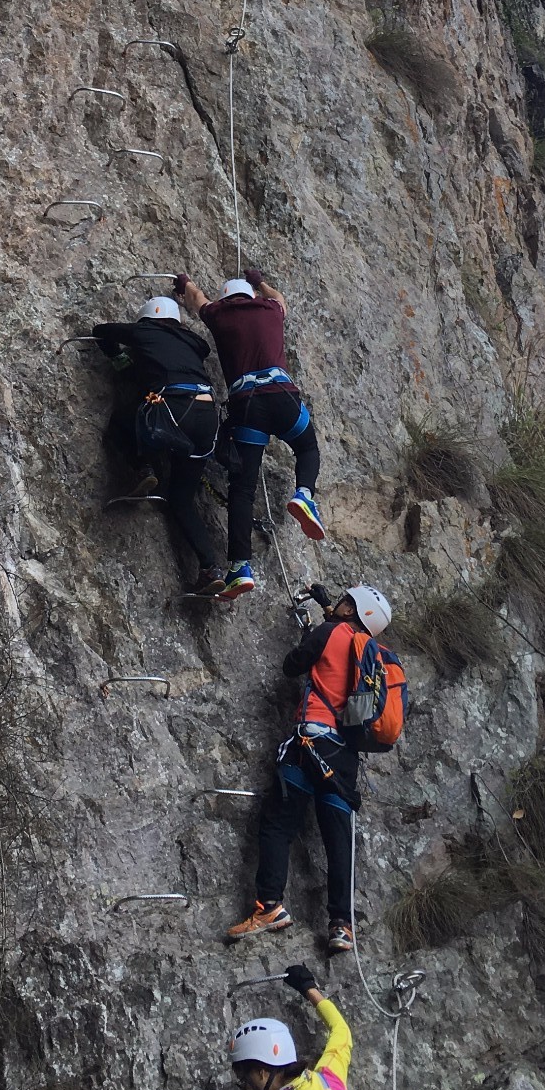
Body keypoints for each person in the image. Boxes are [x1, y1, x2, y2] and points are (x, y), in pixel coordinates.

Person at [226, 585, 392, 952]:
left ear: (353, 612)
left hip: (308, 743)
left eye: (346, 602)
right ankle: (341, 925)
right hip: (343, 756)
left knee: (278, 824)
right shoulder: (373, 654)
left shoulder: (331, 632)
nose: (340, 604)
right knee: (338, 841)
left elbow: (292, 665)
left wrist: (313, 633)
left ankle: (270, 907)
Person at [171, 268, 324, 601]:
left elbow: (198, 300)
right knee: (307, 447)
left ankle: (240, 568)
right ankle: (305, 495)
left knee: (243, 489)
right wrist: (260, 282)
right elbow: (279, 298)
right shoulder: (270, 310)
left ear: (226, 298)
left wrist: (184, 285)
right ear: (252, 296)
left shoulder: (219, 314)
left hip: (247, 405)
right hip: (281, 395)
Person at [91, 295, 228, 597]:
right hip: (206, 417)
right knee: (181, 499)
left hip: (175, 406)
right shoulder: (193, 342)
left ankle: (144, 467)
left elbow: (102, 329)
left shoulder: (144, 332)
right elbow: (202, 347)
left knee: (125, 422)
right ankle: (210, 567)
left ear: (147, 318)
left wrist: (119, 358)